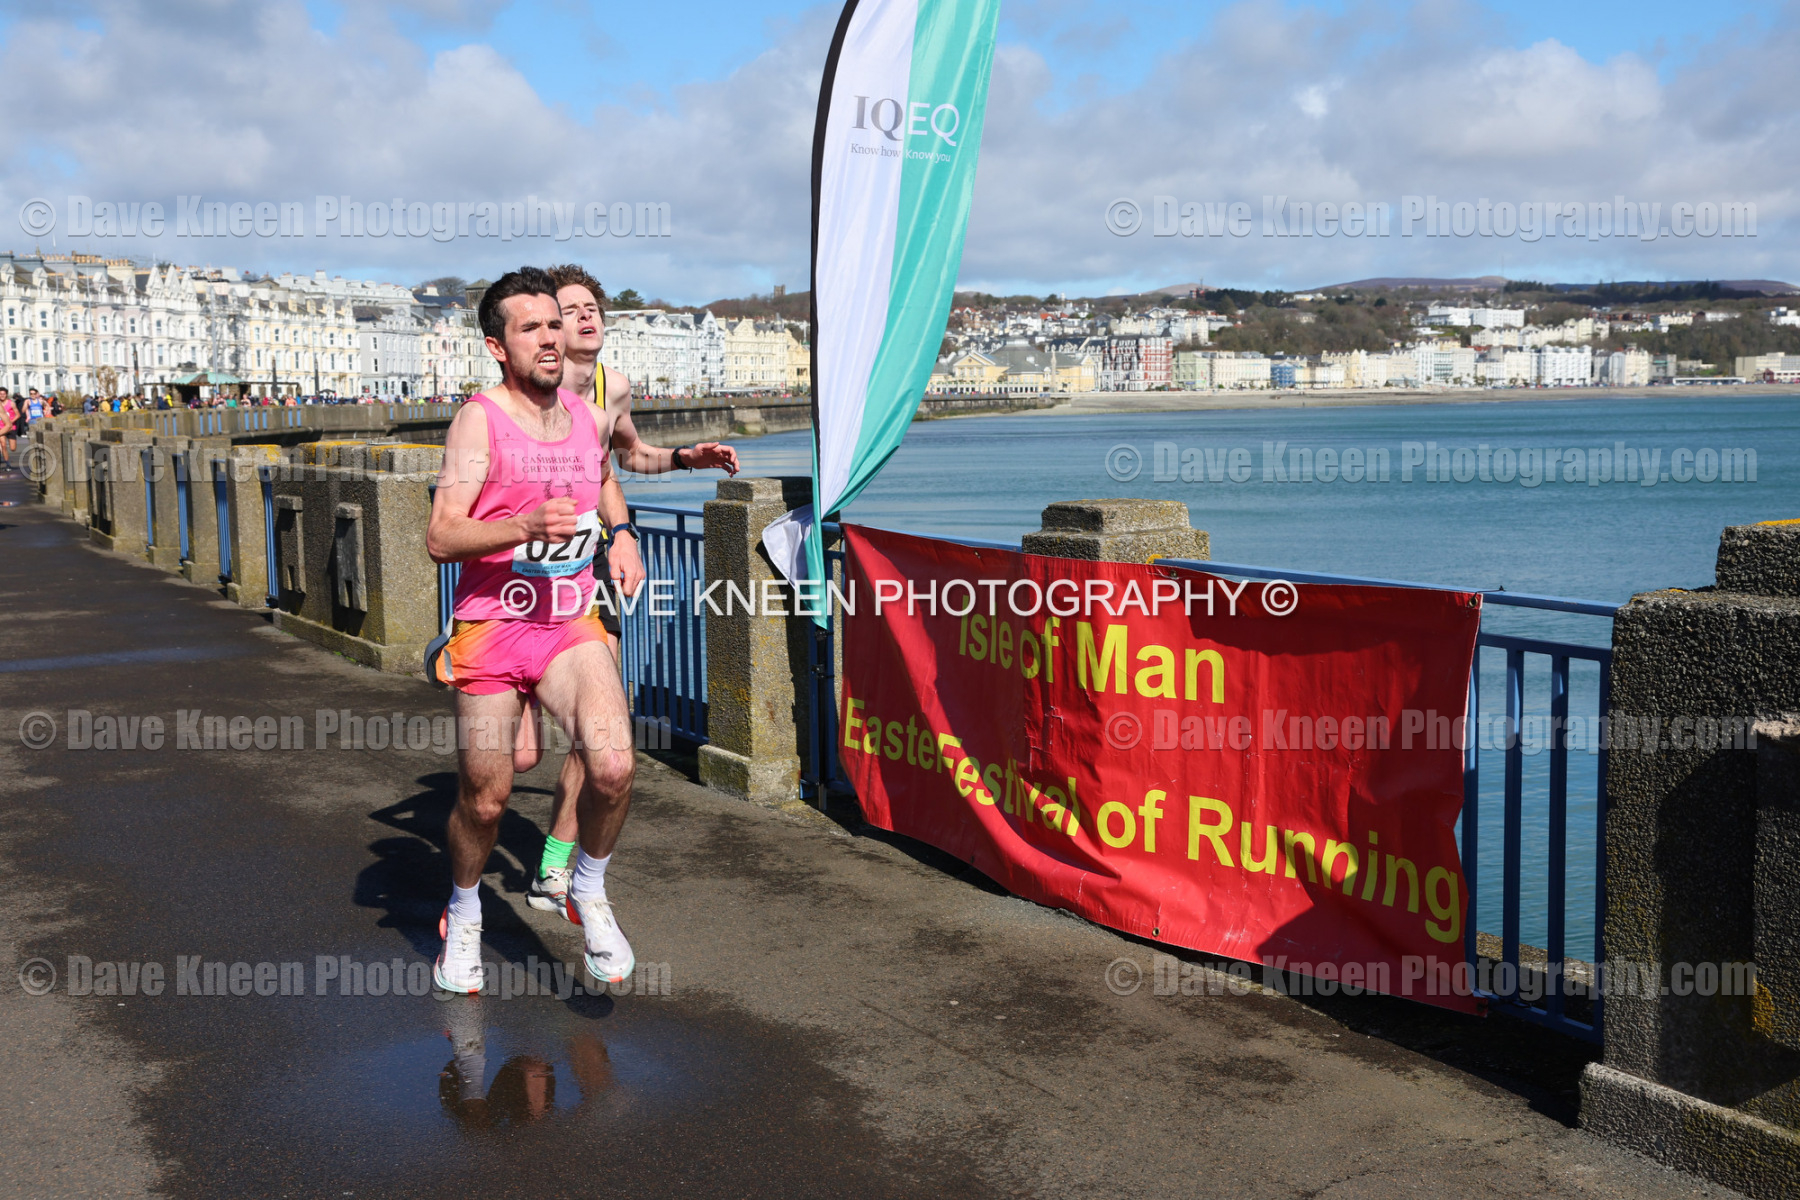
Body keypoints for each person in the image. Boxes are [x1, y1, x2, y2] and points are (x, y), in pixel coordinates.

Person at [426, 266, 646, 993]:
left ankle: (587, 887)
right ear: (499, 346)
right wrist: (521, 525)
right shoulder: (479, 421)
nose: (550, 338)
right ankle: (464, 912)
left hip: (567, 621)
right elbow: (441, 535)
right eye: (531, 328)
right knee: (487, 799)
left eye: (555, 324)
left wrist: (621, 534)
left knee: (613, 767)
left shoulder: (585, 417)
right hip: (492, 625)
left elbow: (603, 479)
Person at [514, 264, 740, 917]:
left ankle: (554, 868)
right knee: (522, 755)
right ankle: (495, 669)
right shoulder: (518, 393)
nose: (585, 317)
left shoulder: (612, 386)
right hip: (521, 575)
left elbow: (627, 456)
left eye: (592, 307)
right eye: (570, 310)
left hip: (588, 568)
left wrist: (683, 460)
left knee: (600, 728)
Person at [0, 387, 17, 472]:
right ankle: (7, 464)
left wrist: (11, 421)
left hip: (10, 427)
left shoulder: (11, 403)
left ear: (6, 394)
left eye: (3, 394)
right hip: (1, 427)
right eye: (0, 394)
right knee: (3, 445)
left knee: (13, 448)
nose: (2, 395)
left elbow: (18, 414)